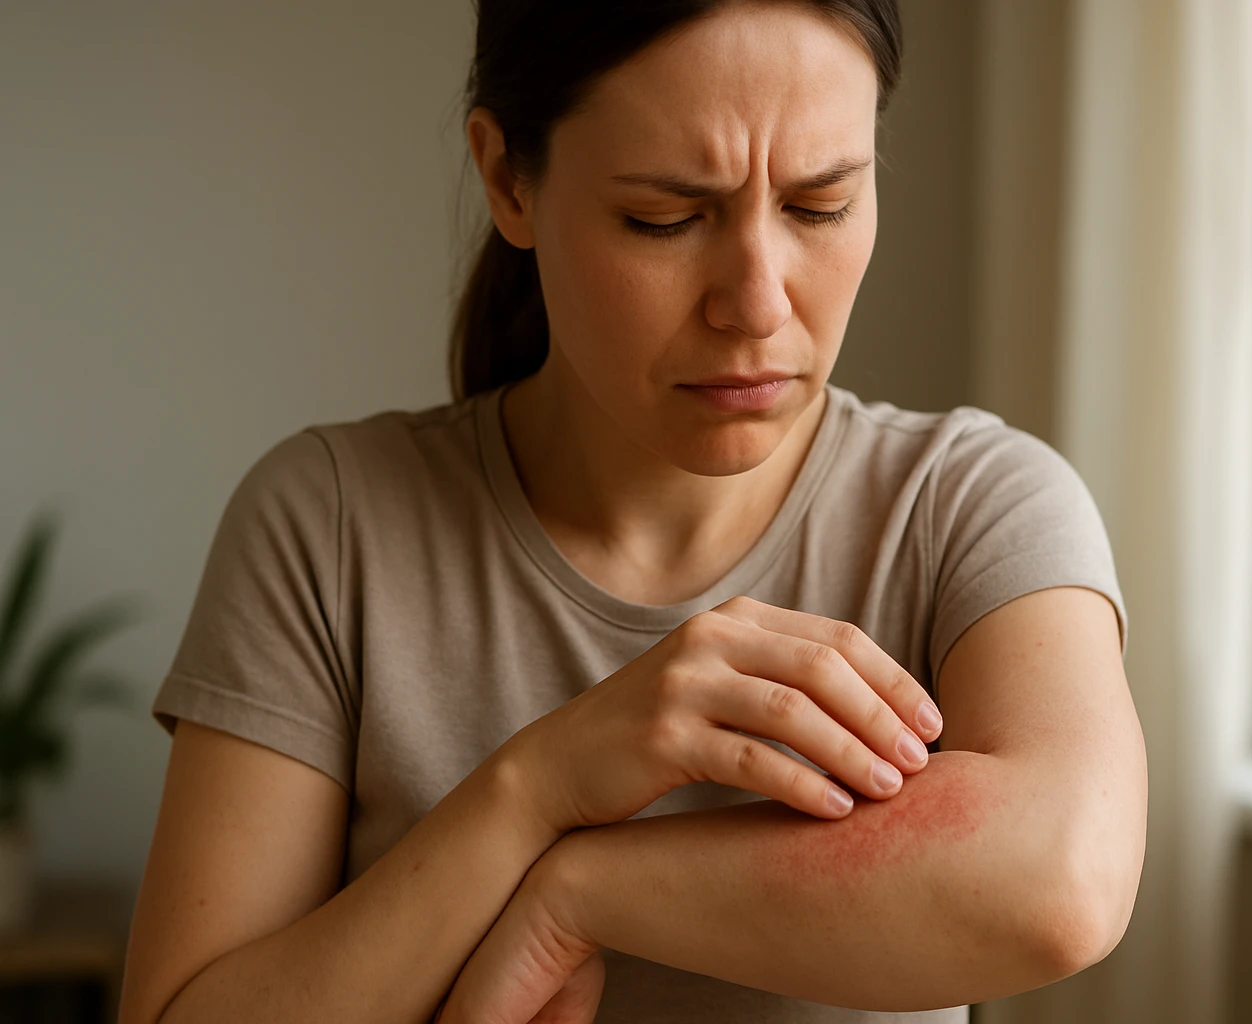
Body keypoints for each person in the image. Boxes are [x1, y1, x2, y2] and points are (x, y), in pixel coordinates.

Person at [118, 1, 1147, 1022]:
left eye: (820, 204)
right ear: (507, 179)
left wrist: (577, 895)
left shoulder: (969, 505)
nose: (757, 304)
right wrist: (539, 786)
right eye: (667, 218)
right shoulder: (329, 524)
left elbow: (1067, 881)